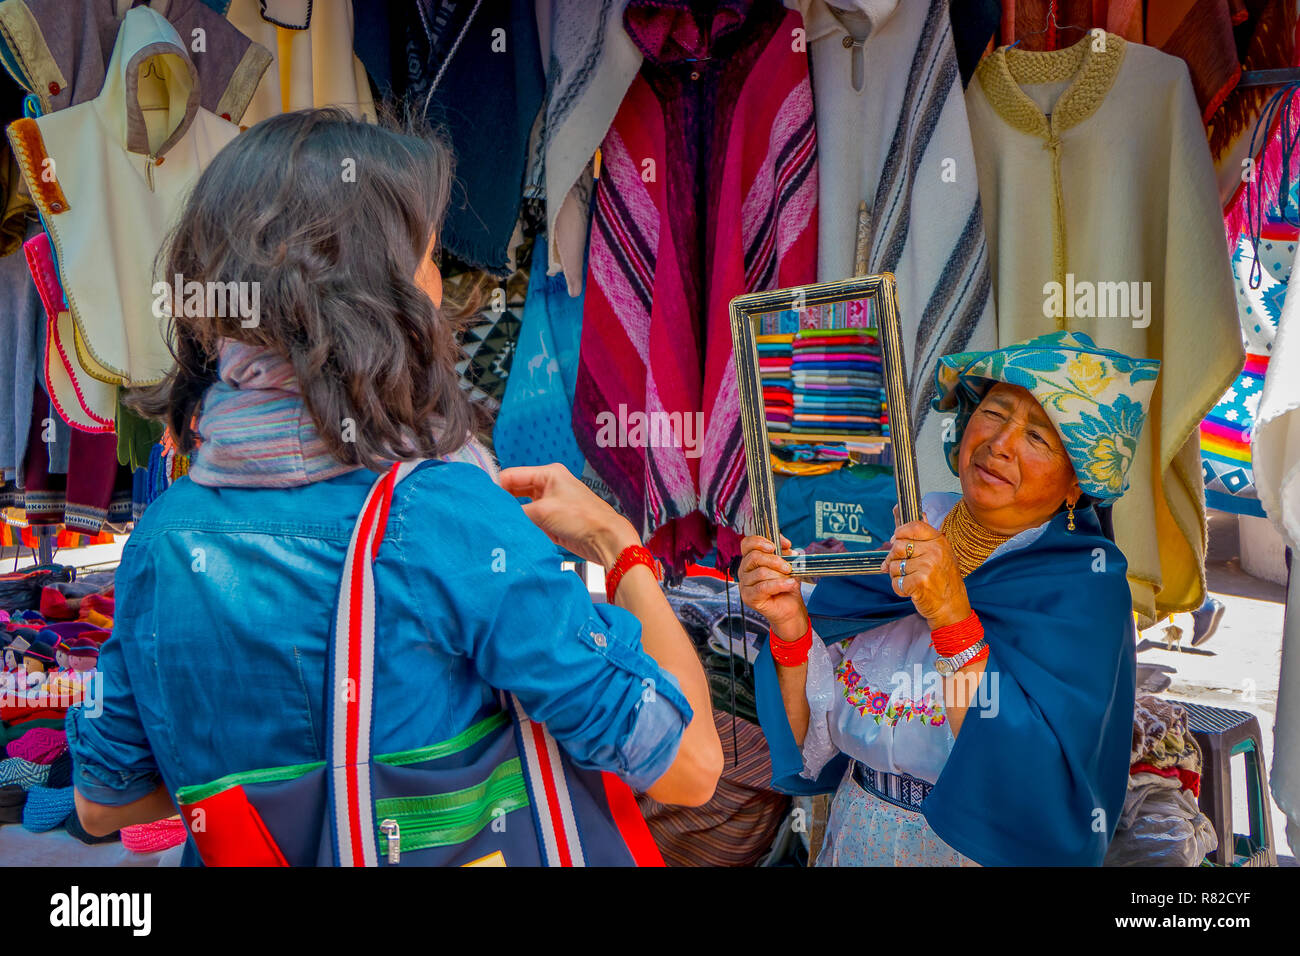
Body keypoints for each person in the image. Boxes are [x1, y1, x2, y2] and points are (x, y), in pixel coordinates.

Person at [66, 109, 722, 862]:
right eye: (426, 255)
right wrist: (620, 544)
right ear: (372, 292)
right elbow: (690, 766)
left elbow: (105, 803)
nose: (438, 282)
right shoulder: (443, 516)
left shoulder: (165, 534)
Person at [740, 331, 1159, 866]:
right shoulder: (900, 527)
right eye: (994, 413)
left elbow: (1038, 781)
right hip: (857, 834)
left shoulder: (1084, 590)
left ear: (1078, 482)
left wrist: (952, 617)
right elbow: (808, 738)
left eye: (1038, 437)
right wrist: (792, 629)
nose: (1000, 443)